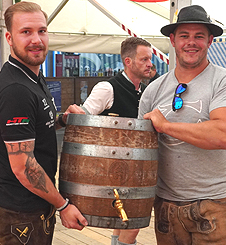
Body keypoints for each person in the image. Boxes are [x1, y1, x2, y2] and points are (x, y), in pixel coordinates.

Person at [138, 5, 226, 244]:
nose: (191, 42)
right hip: (166, 206)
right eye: (184, 36)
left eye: (199, 36)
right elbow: (142, 151)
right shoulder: (153, 89)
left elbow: (223, 135)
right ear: (173, 40)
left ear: (210, 41)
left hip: (213, 205)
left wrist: (166, 126)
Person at [0, 2, 88, 244]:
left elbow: (36, 128)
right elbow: (24, 168)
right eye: (26, 32)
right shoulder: (16, 90)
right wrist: (63, 206)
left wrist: (63, 119)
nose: (36, 40)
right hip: (19, 208)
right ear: (9, 37)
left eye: (42, 31)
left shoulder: (32, 75)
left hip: (29, 203)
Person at [64, 36, 154, 245]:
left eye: (150, 59)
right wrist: (76, 112)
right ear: (128, 61)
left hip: (135, 166)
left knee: (123, 221)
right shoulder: (107, 88)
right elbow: (84, 122)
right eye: (144, 59)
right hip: (111, 165)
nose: (150, 64)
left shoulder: (143, 90)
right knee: (133, 222)